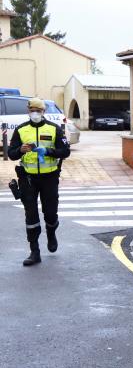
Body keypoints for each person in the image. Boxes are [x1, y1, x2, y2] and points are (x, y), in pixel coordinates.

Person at [8, 97, 71, 266]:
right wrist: (20, 149)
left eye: (38, 110)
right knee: (31, 215)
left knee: (50, 213)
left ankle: (51, 232)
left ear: (43, 112)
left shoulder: (54, 129)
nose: (35, 113)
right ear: (28, 111)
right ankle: (34, 251)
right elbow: (11, 153)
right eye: (32, 110)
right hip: (28, 178)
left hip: (49, 177)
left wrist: (49, 151)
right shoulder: (21, 130)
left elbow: (65, 151)